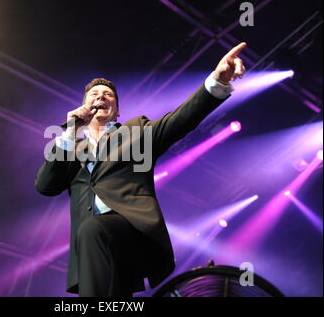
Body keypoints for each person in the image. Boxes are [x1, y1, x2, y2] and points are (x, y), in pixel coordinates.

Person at [35, 43, 247, 297]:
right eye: (94, 94)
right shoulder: (72, 147)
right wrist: (70, 131)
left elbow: (181, 119)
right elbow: (45, 186)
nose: (101, 96)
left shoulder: (136, 131)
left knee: (93, 229)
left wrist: (216, 81)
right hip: (95, 249)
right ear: (82, 106)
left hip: (132, 230)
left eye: (108, 94)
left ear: (117, 110)